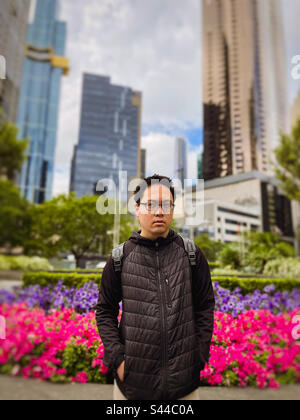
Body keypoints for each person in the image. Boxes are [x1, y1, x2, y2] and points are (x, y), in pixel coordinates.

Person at [95, 174, 215, 400]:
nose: (159, 212)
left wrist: (199, 356)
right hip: (132, 386)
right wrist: (118, 360)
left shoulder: (191, 254)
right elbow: (104, 311)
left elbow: (205, 306)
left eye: (166, 205)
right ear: (137, 208)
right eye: (151, 205)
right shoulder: (120, 257)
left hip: (184, 387)